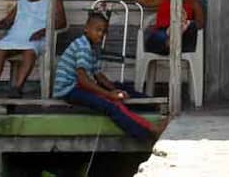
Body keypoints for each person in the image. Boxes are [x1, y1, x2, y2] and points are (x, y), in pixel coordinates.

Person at [53, 11, 160, 139]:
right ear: (86, 29)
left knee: (121, 87)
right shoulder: (83, 47)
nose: (101, 34)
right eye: (97, 30)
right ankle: (147, 132)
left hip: (80, 86)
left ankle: (152, 106)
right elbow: (83, 80)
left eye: (104, 31)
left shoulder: (91, 48)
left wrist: (114, 89)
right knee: (110, 105)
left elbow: (98, 75)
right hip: (69, 90)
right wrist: (109, 94)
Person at [106, 0, 205, 55]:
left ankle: (177, 31)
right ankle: (171, 40)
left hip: (184, 38)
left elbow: (200, 24)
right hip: (162, 36)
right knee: (159, 35)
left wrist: (183, 24)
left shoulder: (194, 3)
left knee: (189, 26)